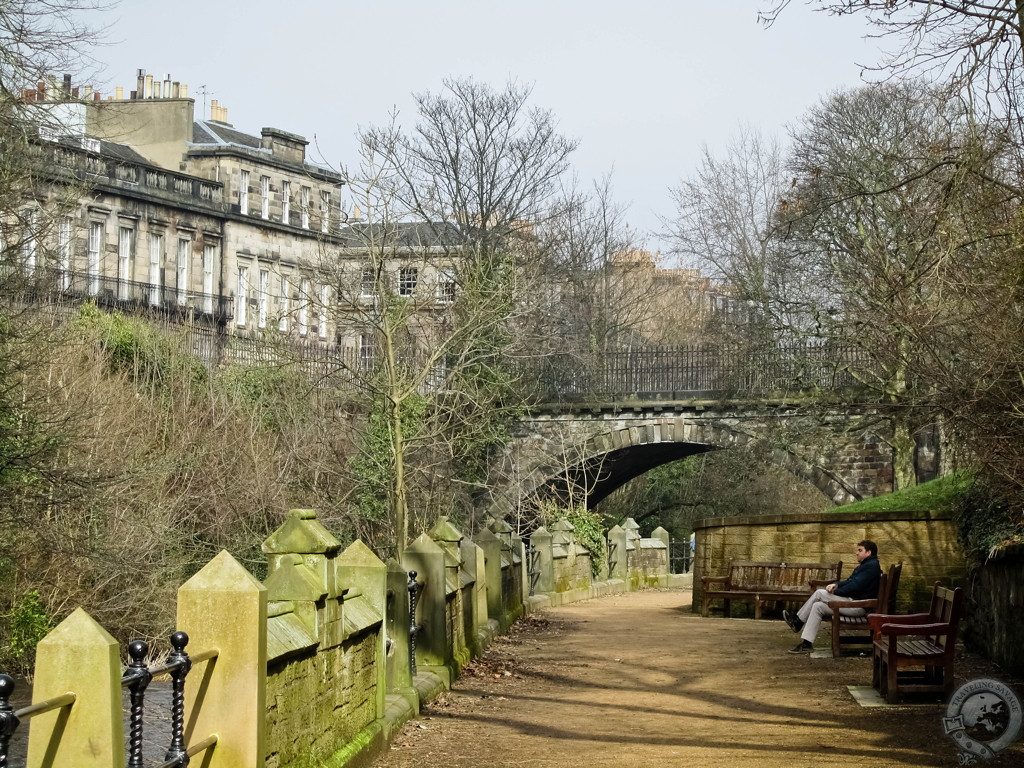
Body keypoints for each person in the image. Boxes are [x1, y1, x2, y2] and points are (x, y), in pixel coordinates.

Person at [783, 540, 882, 654]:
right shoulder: (867, 565)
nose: (856, 553)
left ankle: (797, 622)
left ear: (868, 552)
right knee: (818, 606)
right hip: (855, 602)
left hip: (859, 606)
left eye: (860, 550)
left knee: (820, 593)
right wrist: (836, 585)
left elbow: (855, 586)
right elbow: (850, 581)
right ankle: (807, 644)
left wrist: (835, 592)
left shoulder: (871, 567)